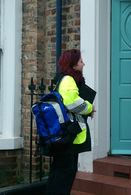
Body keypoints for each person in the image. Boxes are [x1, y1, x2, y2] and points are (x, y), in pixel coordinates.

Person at [45, 49, 96, 195]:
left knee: (59, 172)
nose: (83, 64)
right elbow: (72, 102)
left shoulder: (62, 79)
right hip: (69, 136)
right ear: (73, 65)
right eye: (80, 61)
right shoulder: (68, 80)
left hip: (65, 135)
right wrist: (89, 108)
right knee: (65, 174)